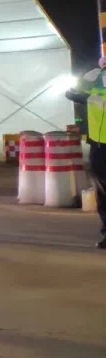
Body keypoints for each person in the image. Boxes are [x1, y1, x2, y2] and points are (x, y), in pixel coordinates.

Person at [65, 57, 106, 249]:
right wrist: (85, 96)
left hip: (99, 146)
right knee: (102, 193)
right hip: (98, 146)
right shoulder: (95, 77)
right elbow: (71, 92)